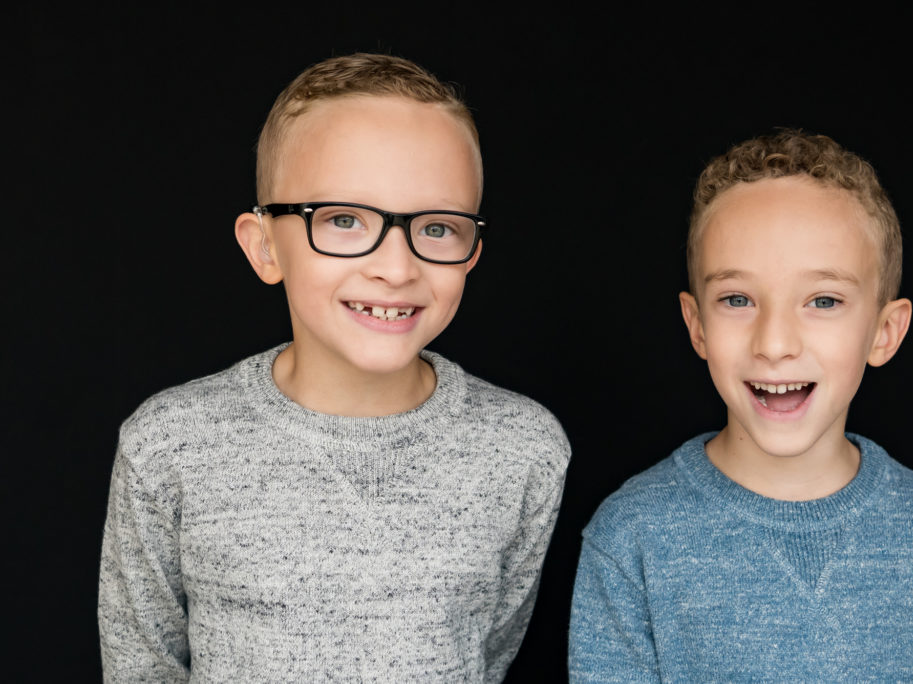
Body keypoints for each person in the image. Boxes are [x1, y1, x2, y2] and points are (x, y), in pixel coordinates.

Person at [98, 53, 570, 682]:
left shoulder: (524, 449)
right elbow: (142, 670)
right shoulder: (167, 445)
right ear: (265, 245)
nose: (396, 268)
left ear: (472, 251)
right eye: (344, 220)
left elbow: (489, 656)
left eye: (437, 227)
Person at [568, 129, 913, 680]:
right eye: (737, 299)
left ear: (884, 331)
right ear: (697, 326)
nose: (775, 343)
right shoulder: (631, 538)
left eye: (823, 300)